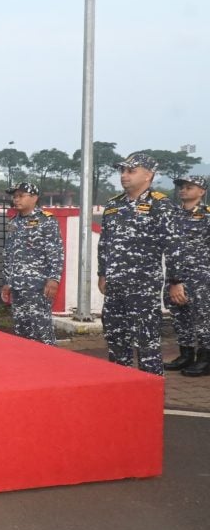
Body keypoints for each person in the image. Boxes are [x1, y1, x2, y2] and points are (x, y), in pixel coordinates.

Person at [98, 152, 185, 375]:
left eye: (131, 171)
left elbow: (174, 246)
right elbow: (105, 242)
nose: (124, 175)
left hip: (143, 288)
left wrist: (176, 281)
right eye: (122, 171)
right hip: (115, 286)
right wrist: (102, 273)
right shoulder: (113, 205)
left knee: (146, 344)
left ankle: (150, 398)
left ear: (148, 175)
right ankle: (120, 393)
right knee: (116, 342)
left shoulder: (160, 205)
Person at [0, 182, 64, 345]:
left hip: (38, 287)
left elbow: (55, 252)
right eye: (14, 196)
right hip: (18, 287)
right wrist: (7, 282)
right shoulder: (14, 222)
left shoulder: (46, 220)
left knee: (41, 331)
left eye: (21, 196)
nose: (16, 199)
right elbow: (8, 254)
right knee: (21, 331)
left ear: (34, 198)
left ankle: (49, 364)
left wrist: (53, 279)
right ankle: (27, 367)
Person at [163, 175, 210, 376]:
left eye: (189, 187)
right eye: (182, 187)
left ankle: (205, 359)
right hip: (175, 276)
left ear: (202, 191)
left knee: (202, 318)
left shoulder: (207, 215)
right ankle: (186, 354)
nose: (183, 190)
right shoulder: (172, 215)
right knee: (180, 316)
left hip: (201, 277)